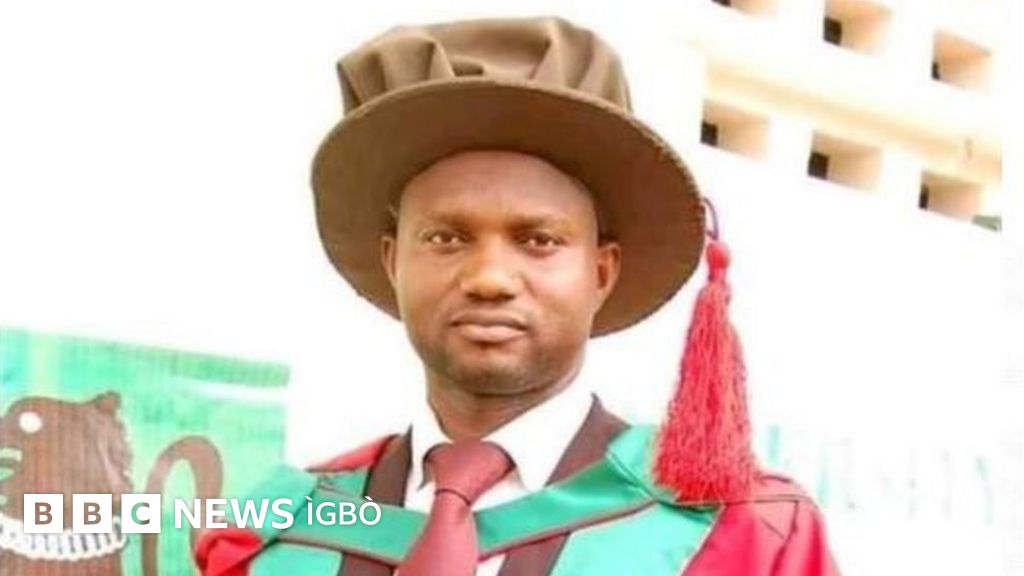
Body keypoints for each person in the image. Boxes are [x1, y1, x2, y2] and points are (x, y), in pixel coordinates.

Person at [194, 16, 840, 576]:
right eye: (446, 238)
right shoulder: (275, 530)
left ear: (601, 272)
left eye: (538, 241)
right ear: (393, 262)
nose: (490, 277)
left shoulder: (744, 533)